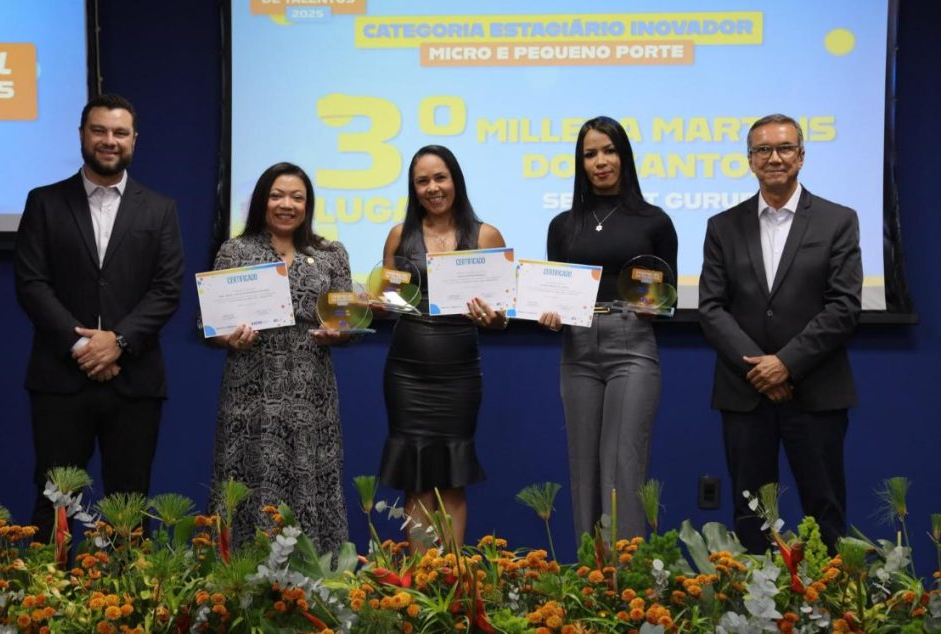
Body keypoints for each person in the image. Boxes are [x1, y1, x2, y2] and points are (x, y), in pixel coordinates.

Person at [14, 93, 184, 537]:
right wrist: (84, 346)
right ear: (82, 136)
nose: (109, 140)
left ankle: (127, 603)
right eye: (99, 131)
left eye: (119, 132)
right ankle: (46, 603)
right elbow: (31, 284)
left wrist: (118, 342)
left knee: (130, 505)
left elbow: (167, 290)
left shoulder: (160, 208)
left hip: (135, 380)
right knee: (52, 501)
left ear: (134, 140)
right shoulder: (44, 202)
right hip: (60, 379)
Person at [698, 113, 862, 554]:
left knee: (825, 512)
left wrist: (785, 364)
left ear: (801, 156)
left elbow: (844, 307)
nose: (774, 158)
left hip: (816, 391)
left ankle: (832, 614)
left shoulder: (838, 220)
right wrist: (760, 368)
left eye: (784, 148)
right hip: (745, 392)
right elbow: (711, 308)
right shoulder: (722, 226)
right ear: (749, 161)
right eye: (763, 150)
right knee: (751, 515)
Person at [539, 116, 678, 542]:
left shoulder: (654, 221)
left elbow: (668, 293)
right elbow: (554, 289)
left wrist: (658, 305)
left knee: (622, 467)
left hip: (632, 343)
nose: (601, 161)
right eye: (590, 154)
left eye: (609, 151)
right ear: (580, 163)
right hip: (577, 345)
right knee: (583, 471)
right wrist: (549, 311)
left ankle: (627, 587)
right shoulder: (563, 225)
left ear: (624, 155)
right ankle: (591, 582)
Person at [207, 162, 353, 554]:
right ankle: (239, 580)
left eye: (297, 197)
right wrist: (229, 338)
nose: (286, 204)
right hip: (249, 389)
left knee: (311, 477)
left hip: (311, 392)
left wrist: (339, 332)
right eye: (277, 195)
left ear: (308, 205)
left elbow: (346, 323)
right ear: (262, 201)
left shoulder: (330, 254)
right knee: (248, 474)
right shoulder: (235, 250)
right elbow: (211, 324)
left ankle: (316, 583)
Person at [377, 145, 507, 551]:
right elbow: (390, 302)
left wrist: (494, 317)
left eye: (440, 178)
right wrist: (376, 303)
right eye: (423, 181)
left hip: (459, 373)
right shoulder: (400, 235)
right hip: (406, 372)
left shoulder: (485, 235)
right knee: (415, 480)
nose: (433, 188)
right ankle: (418, 586)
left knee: (451, 477)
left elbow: (502, 313)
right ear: (413, 189)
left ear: (455, 181)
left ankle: (448, 582)